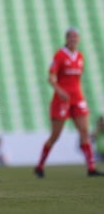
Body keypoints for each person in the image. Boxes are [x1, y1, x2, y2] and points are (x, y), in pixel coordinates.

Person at [34, 28, 104, 178]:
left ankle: (91, 168)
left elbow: (76, 80)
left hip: (77, 98)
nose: (73, 39)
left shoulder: (80, 56)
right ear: (66, 39)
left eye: (75, 37)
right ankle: (39, 166)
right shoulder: (59, 55)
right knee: (55, 135)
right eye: (70, 37)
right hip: (62, 99)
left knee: (84, 131)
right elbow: (51, 78)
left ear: (78, 39)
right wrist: (59, 90)